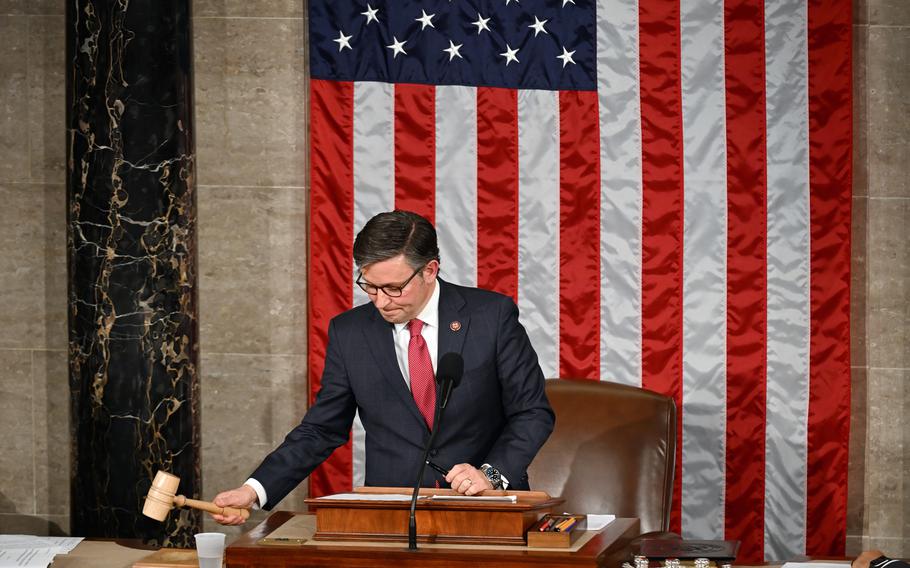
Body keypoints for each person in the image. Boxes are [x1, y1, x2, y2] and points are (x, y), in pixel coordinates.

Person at [212, 210, 555, 525]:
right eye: (369, 286)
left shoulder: (490, 317)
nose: (381, 301)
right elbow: (321, 430)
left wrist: (490, 475)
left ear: (430, 270)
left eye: (394, 288)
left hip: (484, 507)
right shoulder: (350, 332)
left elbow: (532, 412)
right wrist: (254, 491)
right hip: (390, 510)